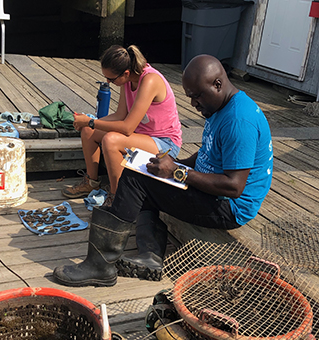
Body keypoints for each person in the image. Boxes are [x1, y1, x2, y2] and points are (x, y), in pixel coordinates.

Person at [53, 54, 273, 288]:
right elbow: (208, 153)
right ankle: (150, 255)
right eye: (190, 97)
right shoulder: (220, 106)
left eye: (197, 96)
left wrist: (178, 172)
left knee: (135, 179)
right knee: (145, 169)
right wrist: (174, 164)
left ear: (217, 84)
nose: (193, 104)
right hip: (212, 190)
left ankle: (100, 265)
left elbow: (234, 186)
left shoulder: (239, 120)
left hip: (228, 207)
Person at [62, 44, 183, 205]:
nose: (108, 82)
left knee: (111, 140)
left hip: (165, 143)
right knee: (88, 131)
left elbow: (127, 128)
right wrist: (87, 124)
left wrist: (91, 121)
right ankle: (91, 182)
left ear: (125, 73)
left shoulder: (150, 80)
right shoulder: (127, 79)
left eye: (111, 79)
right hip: (142, 135)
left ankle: (117, 197)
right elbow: (120, 115)